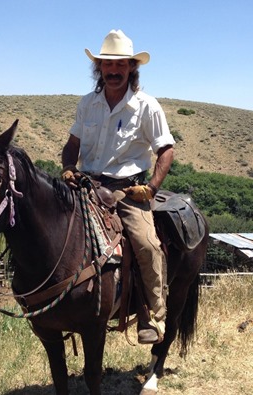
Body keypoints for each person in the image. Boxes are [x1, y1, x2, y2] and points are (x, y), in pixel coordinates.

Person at [61, 29, 175, 344]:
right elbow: (73, 145)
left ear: (131, 68)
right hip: (87, 185)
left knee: (147, 245)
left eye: (120, 65)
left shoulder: (146, 106)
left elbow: (166, 150)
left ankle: (154, 315)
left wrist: (150, 188)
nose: (113, 71)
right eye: (107, 65)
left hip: (128, 191)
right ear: (99, 68)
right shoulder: (87, 104)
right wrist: (69, 167)